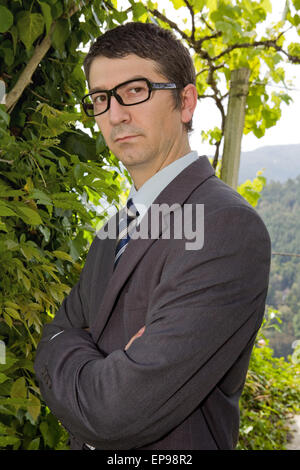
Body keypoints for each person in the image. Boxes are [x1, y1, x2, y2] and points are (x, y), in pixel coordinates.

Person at [34, 22, 271, 450]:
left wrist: (73, 351)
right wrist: (90, 356)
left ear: (185, 101)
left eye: (136, 90)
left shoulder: (226, 227)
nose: (115, 114)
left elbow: (114, 412)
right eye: (101, 98)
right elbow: (53, 334)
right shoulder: (113, 230)